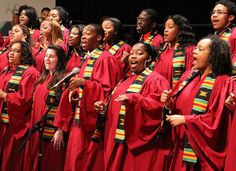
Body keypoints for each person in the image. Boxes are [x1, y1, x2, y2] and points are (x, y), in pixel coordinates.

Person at [53, 23, 122, 171]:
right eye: (82, 33)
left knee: (84, 162)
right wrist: (75, 92)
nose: (83, 36)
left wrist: (84, 83)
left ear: (98, 37)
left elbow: (108, 91)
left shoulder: (105, 58)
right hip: (79, 118)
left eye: (87, 33)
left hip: (91, 123)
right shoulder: (87, 58)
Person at [161, 35, 232, 170]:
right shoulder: (187, 77)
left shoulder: (223, 83)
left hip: (200, 154)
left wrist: (186, 120)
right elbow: (176, 108)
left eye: (200, 49)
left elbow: (216, 120)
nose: (194, 51)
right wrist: (169, 103)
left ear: (213, 56)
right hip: (180, 147)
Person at [95, 42, 170, 171]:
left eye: (139, 53)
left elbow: (159, 108)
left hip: (135, 144)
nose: (133, 56)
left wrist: (135, 99)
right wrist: (104, 107)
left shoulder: (155, 80)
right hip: (114, 136)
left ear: (149, 59)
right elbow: (115, 103)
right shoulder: (126, 79)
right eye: (132, 53)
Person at [24, 45, 69, 171]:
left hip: (53, 130)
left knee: (51, 163)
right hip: (38, 127)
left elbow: (65, 107)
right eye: (46, 56)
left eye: (52, 56)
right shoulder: (42, 79)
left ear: (59, 60)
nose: (47, 59)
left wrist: (60, 130)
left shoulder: (64, 79)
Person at [0, 41, 39, 171]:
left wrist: (5, 96)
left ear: (24, 54)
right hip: (3, 123)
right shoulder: (7, 69)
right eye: (10, 50)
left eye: (16, 51)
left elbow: (26, 100)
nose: (11, 53)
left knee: (10, 162)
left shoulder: (30, 73)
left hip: (15, 126)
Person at [154, 14, 196, 88]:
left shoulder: (189, 50)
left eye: (170, 27)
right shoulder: (163, 50)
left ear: (180, 30)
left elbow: (190, 76)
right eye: (165, 27)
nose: (165, 30)